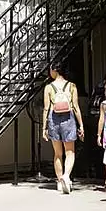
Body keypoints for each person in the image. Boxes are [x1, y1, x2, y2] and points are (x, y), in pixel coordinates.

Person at [42, 61, 85, 194]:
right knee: (70, 151)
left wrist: (44, 128)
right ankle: (67, 176)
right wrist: (81, 125)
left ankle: (60, 182)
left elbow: (46, 108)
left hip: (53, 118)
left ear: (55, 71)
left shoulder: (49, 87)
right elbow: (76, 107)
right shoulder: (72, 86)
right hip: (69, 118)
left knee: (57, 153)